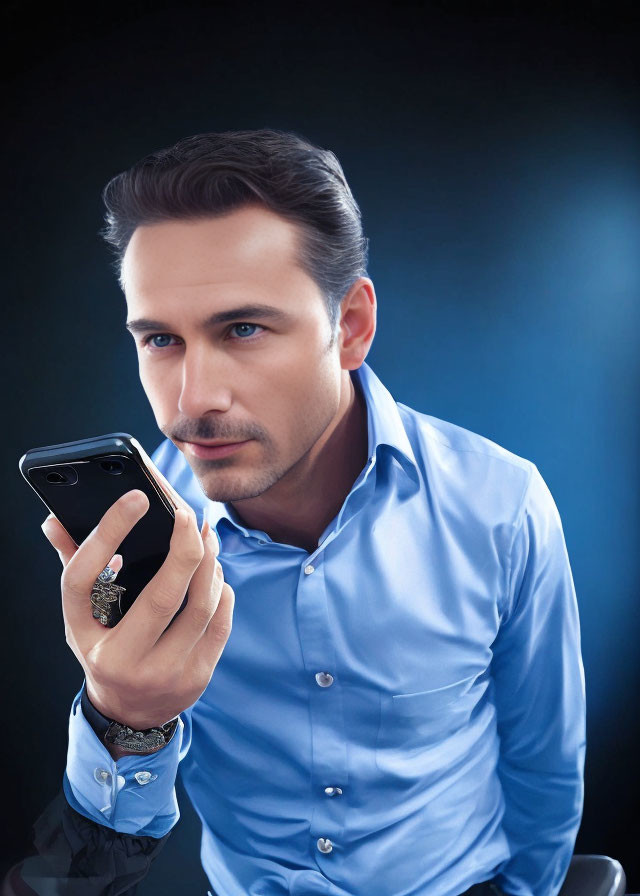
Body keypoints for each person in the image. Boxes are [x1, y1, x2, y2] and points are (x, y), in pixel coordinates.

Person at [9, 129, 586, 896]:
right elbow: (88, 870)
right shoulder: (141, 542)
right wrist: (124, 716)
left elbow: (544, 765)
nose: (193, 401)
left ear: (350, 325)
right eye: (159, 340)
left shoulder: (500, 505)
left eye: (242, 329)